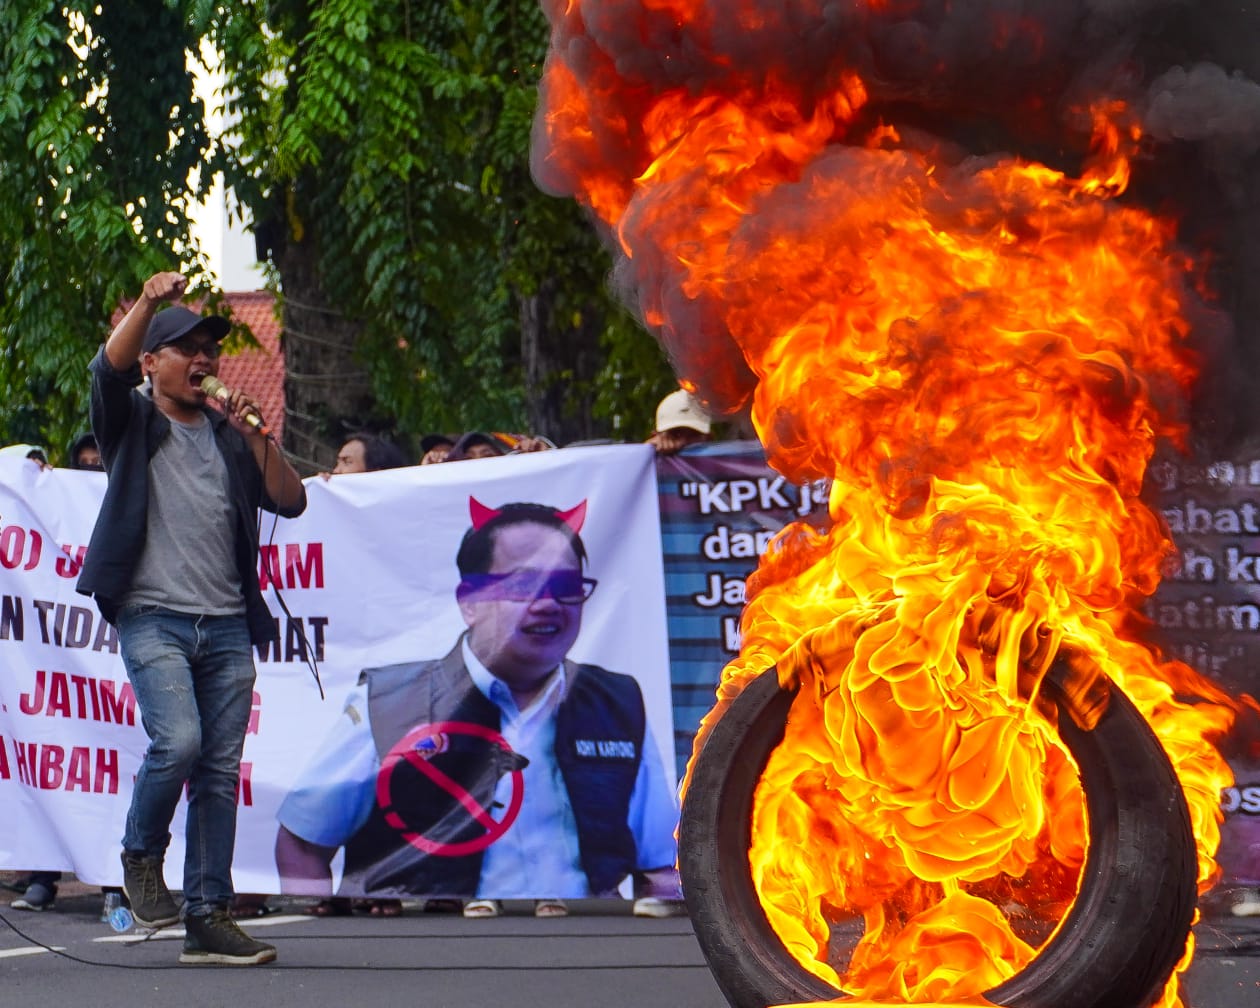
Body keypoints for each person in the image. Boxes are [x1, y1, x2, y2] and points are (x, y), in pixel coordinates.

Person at [274, 499, 680, 919]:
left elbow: (660, 868)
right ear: (469, 601)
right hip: (432, 947)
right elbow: (303, 842)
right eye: (523, 587)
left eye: (565, 588)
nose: (548, 605)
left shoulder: (618, 702)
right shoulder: (387, 702)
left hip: (587, 947)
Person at [76, 270, 306, 966]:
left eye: (212, 350)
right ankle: (141, 854)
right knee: (177, 742)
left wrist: (258, 434)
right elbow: (103, 373)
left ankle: (209, 918)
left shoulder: (230, 435)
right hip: (154, 617)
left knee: (216, 771)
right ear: (153, 361)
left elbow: (290, 502)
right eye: (188, 349)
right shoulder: (133, 418)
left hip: (228, 624)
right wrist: (147, 302)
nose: (205, 361)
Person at [646, 388, 712, 455]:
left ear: (708, 438)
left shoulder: (720, 463)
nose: (682, 442)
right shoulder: (649, 459)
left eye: (693, 435)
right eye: (676, 434)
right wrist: (647, 450)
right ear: (656, 436)